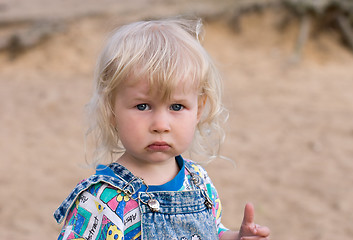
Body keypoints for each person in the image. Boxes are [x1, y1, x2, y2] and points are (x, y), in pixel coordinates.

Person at [54, 18, 270, 240]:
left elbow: (211, 231)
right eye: (143, 106)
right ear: (111, 111)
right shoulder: (102, 200)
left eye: (176, 107)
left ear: (198, 110)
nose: (160, 125)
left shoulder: (197, 180)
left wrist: (235, 237)